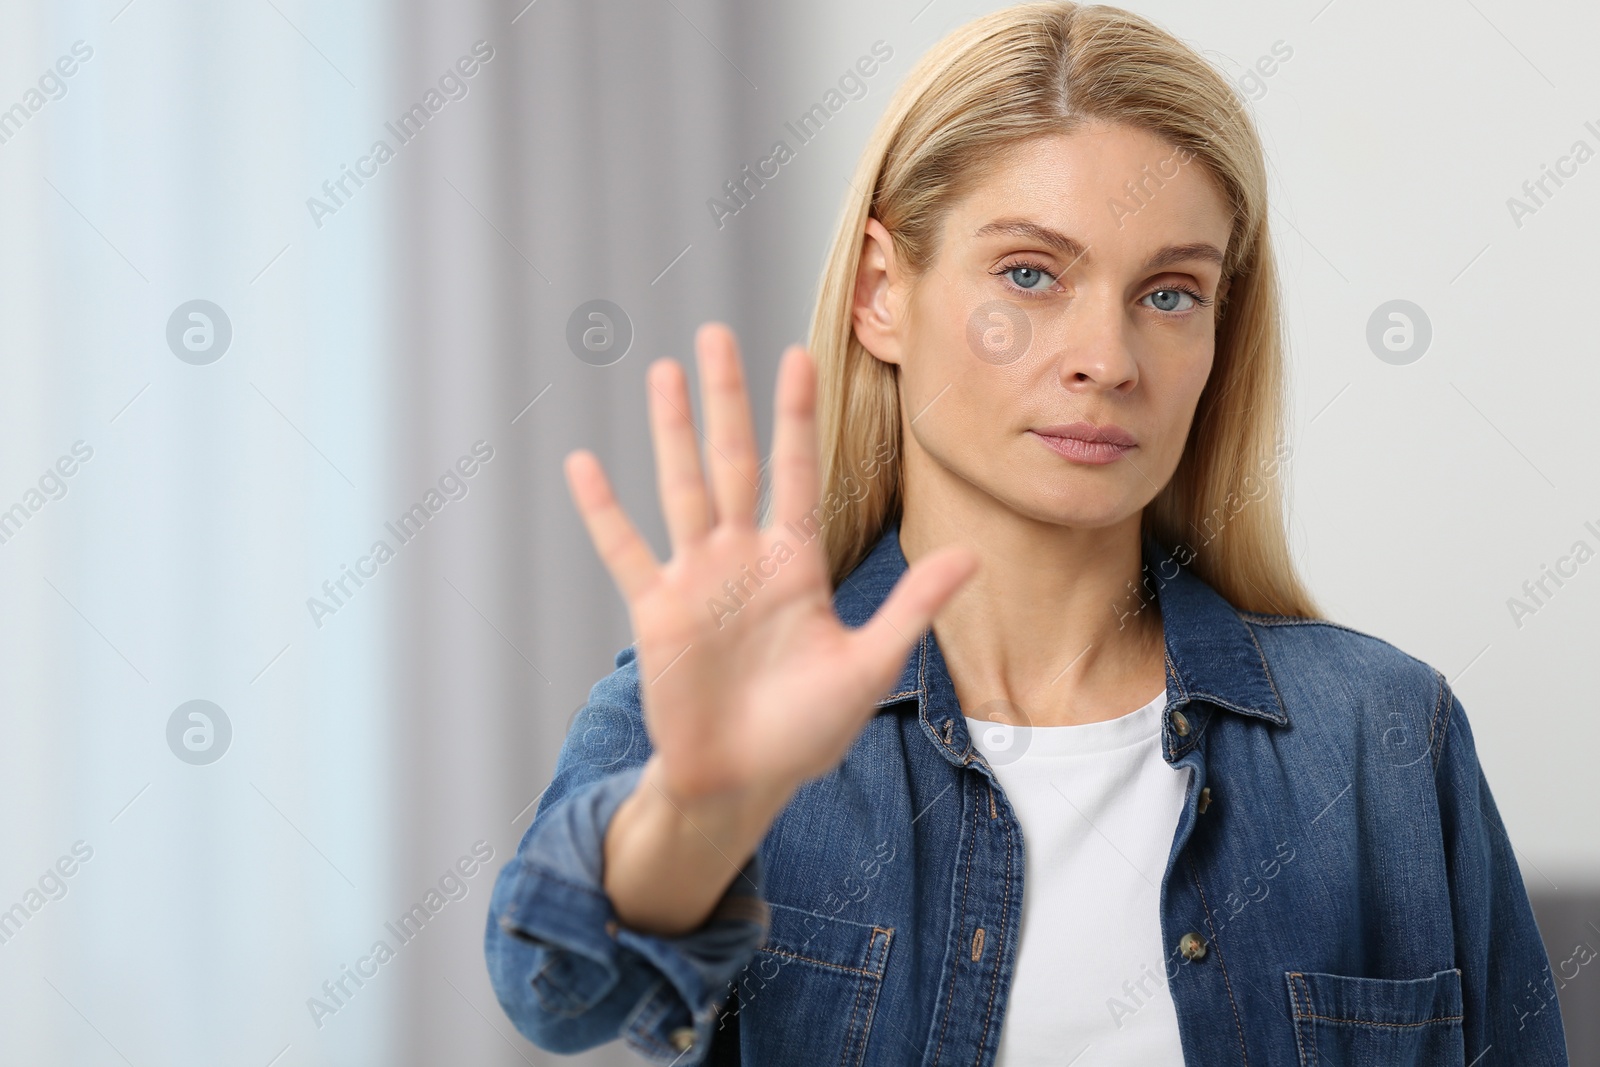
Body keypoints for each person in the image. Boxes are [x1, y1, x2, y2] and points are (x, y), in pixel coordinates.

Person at [483, 3, 1570, 1064]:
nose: (1107, 356)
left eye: (1170, 292)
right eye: (1029, 274)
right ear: (880, 292)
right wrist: (700, 811)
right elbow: (559, 987)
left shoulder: (1382, 734)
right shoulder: (736, 700)